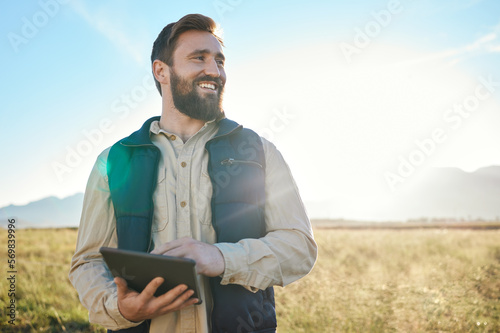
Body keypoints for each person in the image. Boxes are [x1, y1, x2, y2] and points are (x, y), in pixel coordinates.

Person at [69, 13, 317, 333]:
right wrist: (118, 307)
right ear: (162, 70)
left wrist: (222, 258)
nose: (213, 70)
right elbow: (87, 262)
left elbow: (300, 248)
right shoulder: (115, 160)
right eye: (198, 58)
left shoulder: (259, 152)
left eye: (219, 60)